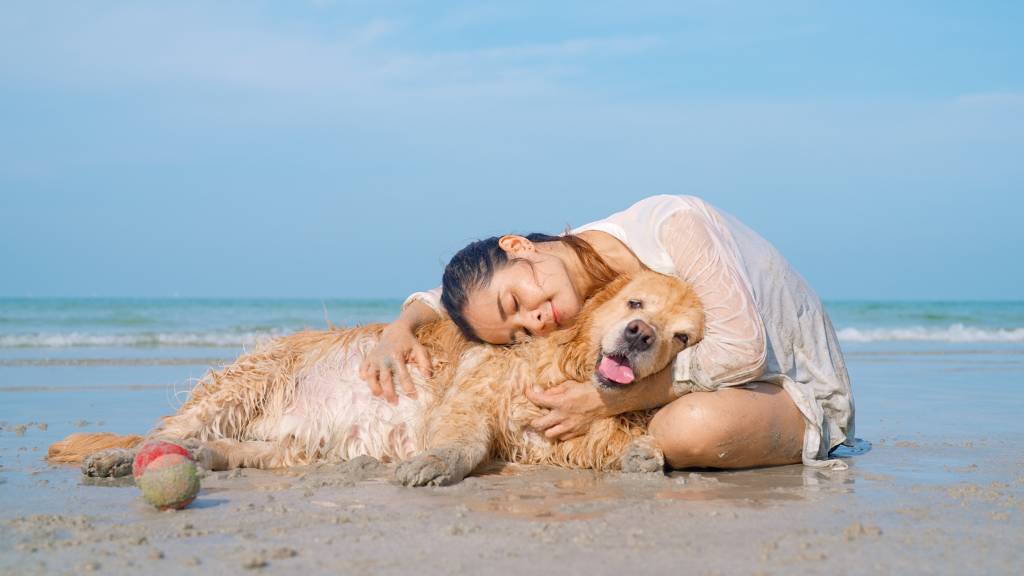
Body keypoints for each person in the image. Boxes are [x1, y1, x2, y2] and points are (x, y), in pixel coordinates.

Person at [359, 195, 854, 469]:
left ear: (520, 246)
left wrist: (607, 401)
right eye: (517, 334)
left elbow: (744, 352)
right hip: (728, 382)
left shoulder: (677, 228)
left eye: (516, 304)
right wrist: (401, 326)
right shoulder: (568, 271)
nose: (533, 322)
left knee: (689, 429)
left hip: (791, 391)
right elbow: (468, 295)